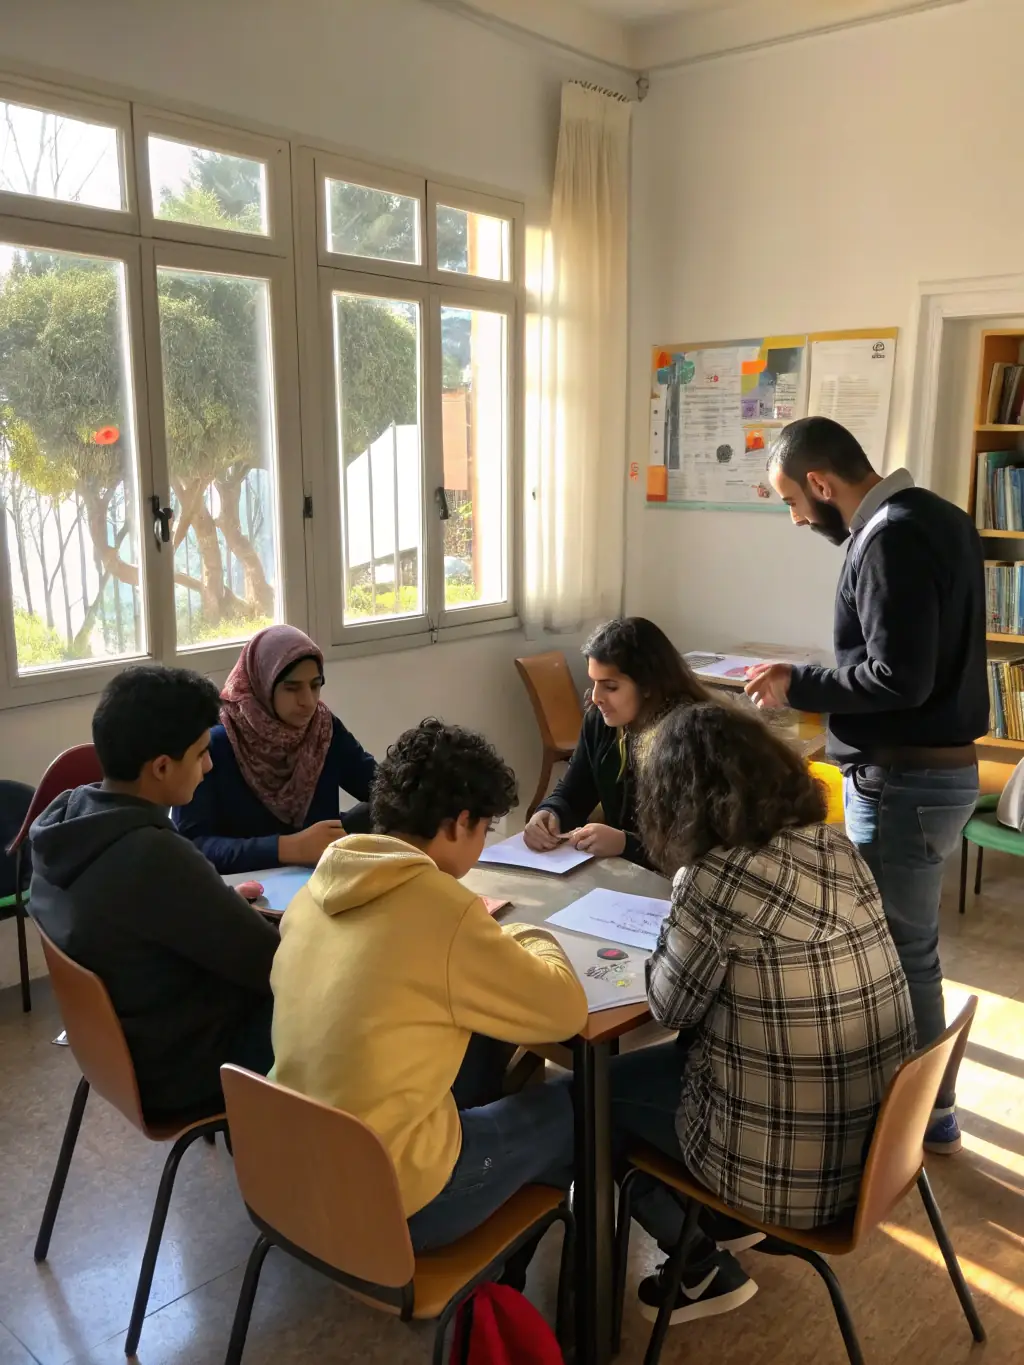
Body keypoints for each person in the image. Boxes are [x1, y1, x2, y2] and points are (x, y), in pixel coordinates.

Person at [608, 701, 915, 1327]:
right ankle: (715, 1225)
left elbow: (669, 1007)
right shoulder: (840, 850)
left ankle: (696, 1263)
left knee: (593, 1101)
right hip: (875, 1152)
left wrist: (675, 922)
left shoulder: (713, 879)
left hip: (784, 1172)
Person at [745, 417, 988, 1154]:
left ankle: (925, 1113)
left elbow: (897, 676)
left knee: (899, 949)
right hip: (936, 775)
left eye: (792, 500)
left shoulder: (888, 537)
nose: (795, 518)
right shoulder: (941, 516)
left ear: (822, 484)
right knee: (909, 943)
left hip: (904, 778)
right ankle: (921, 1100)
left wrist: (799, 682)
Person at [270, 718, 588, 1259]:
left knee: (485, 1059)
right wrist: (527, 932)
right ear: (459, 823)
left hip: (293, 1172)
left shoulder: (318, 888)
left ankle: (511, 1271)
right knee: (582, 1106)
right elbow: (564, 1011)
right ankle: (523, 1297)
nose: (482, 843)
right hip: (396, 1198)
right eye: (485, 830)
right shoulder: (446, 910)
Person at [30, 666, 279, 1122]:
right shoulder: (153, 856)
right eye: (202, 753)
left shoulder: (69, 817)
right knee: (331, 1002)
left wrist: (214, 904)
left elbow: (140, 917)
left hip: (113, 1055)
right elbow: (273, 966)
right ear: (162, 767)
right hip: (179, 1068)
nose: (209, 766)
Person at [174, 624, 377, 874]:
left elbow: (376, 785)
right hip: (246, 893)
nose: (308, 702)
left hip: (318, 882)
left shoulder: (322, 728)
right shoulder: (216, 742)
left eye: (315, 685)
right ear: (263, 684)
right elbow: (193, 845)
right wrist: (287, 847)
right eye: (292, 688)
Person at [523, 617, 709, 866]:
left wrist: (625, 844)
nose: (596, 697)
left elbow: (696, 849)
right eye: (594, 682)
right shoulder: (600, 723)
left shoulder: (689, 737)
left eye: (610, 687)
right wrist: (550, 812)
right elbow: (574, 792)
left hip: (676, 881)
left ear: (647, 686)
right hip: (624, 873)